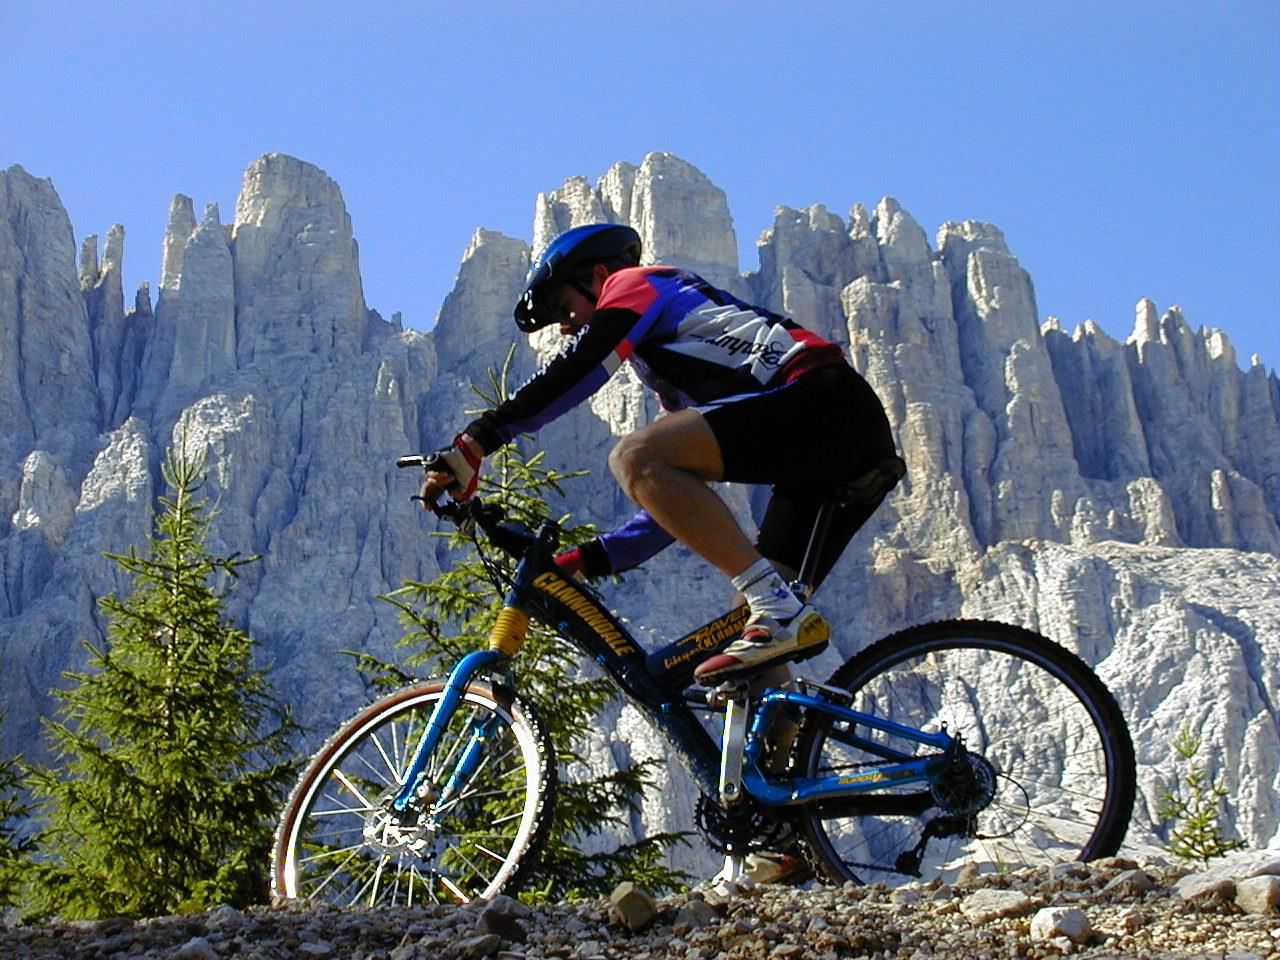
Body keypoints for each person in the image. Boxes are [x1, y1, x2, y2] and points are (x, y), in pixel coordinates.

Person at [418, 223, 898, 687]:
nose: (566, 328)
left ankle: (779, 609)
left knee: (632, 457)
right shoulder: (682, 365)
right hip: (837, 445)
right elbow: (676, 503)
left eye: (564, 308)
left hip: (824, 401)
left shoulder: (636, 284)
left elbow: (581, 368)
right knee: (748, 636)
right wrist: (587, 560)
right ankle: (788, 729)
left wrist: (477, 440)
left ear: (598, 276)